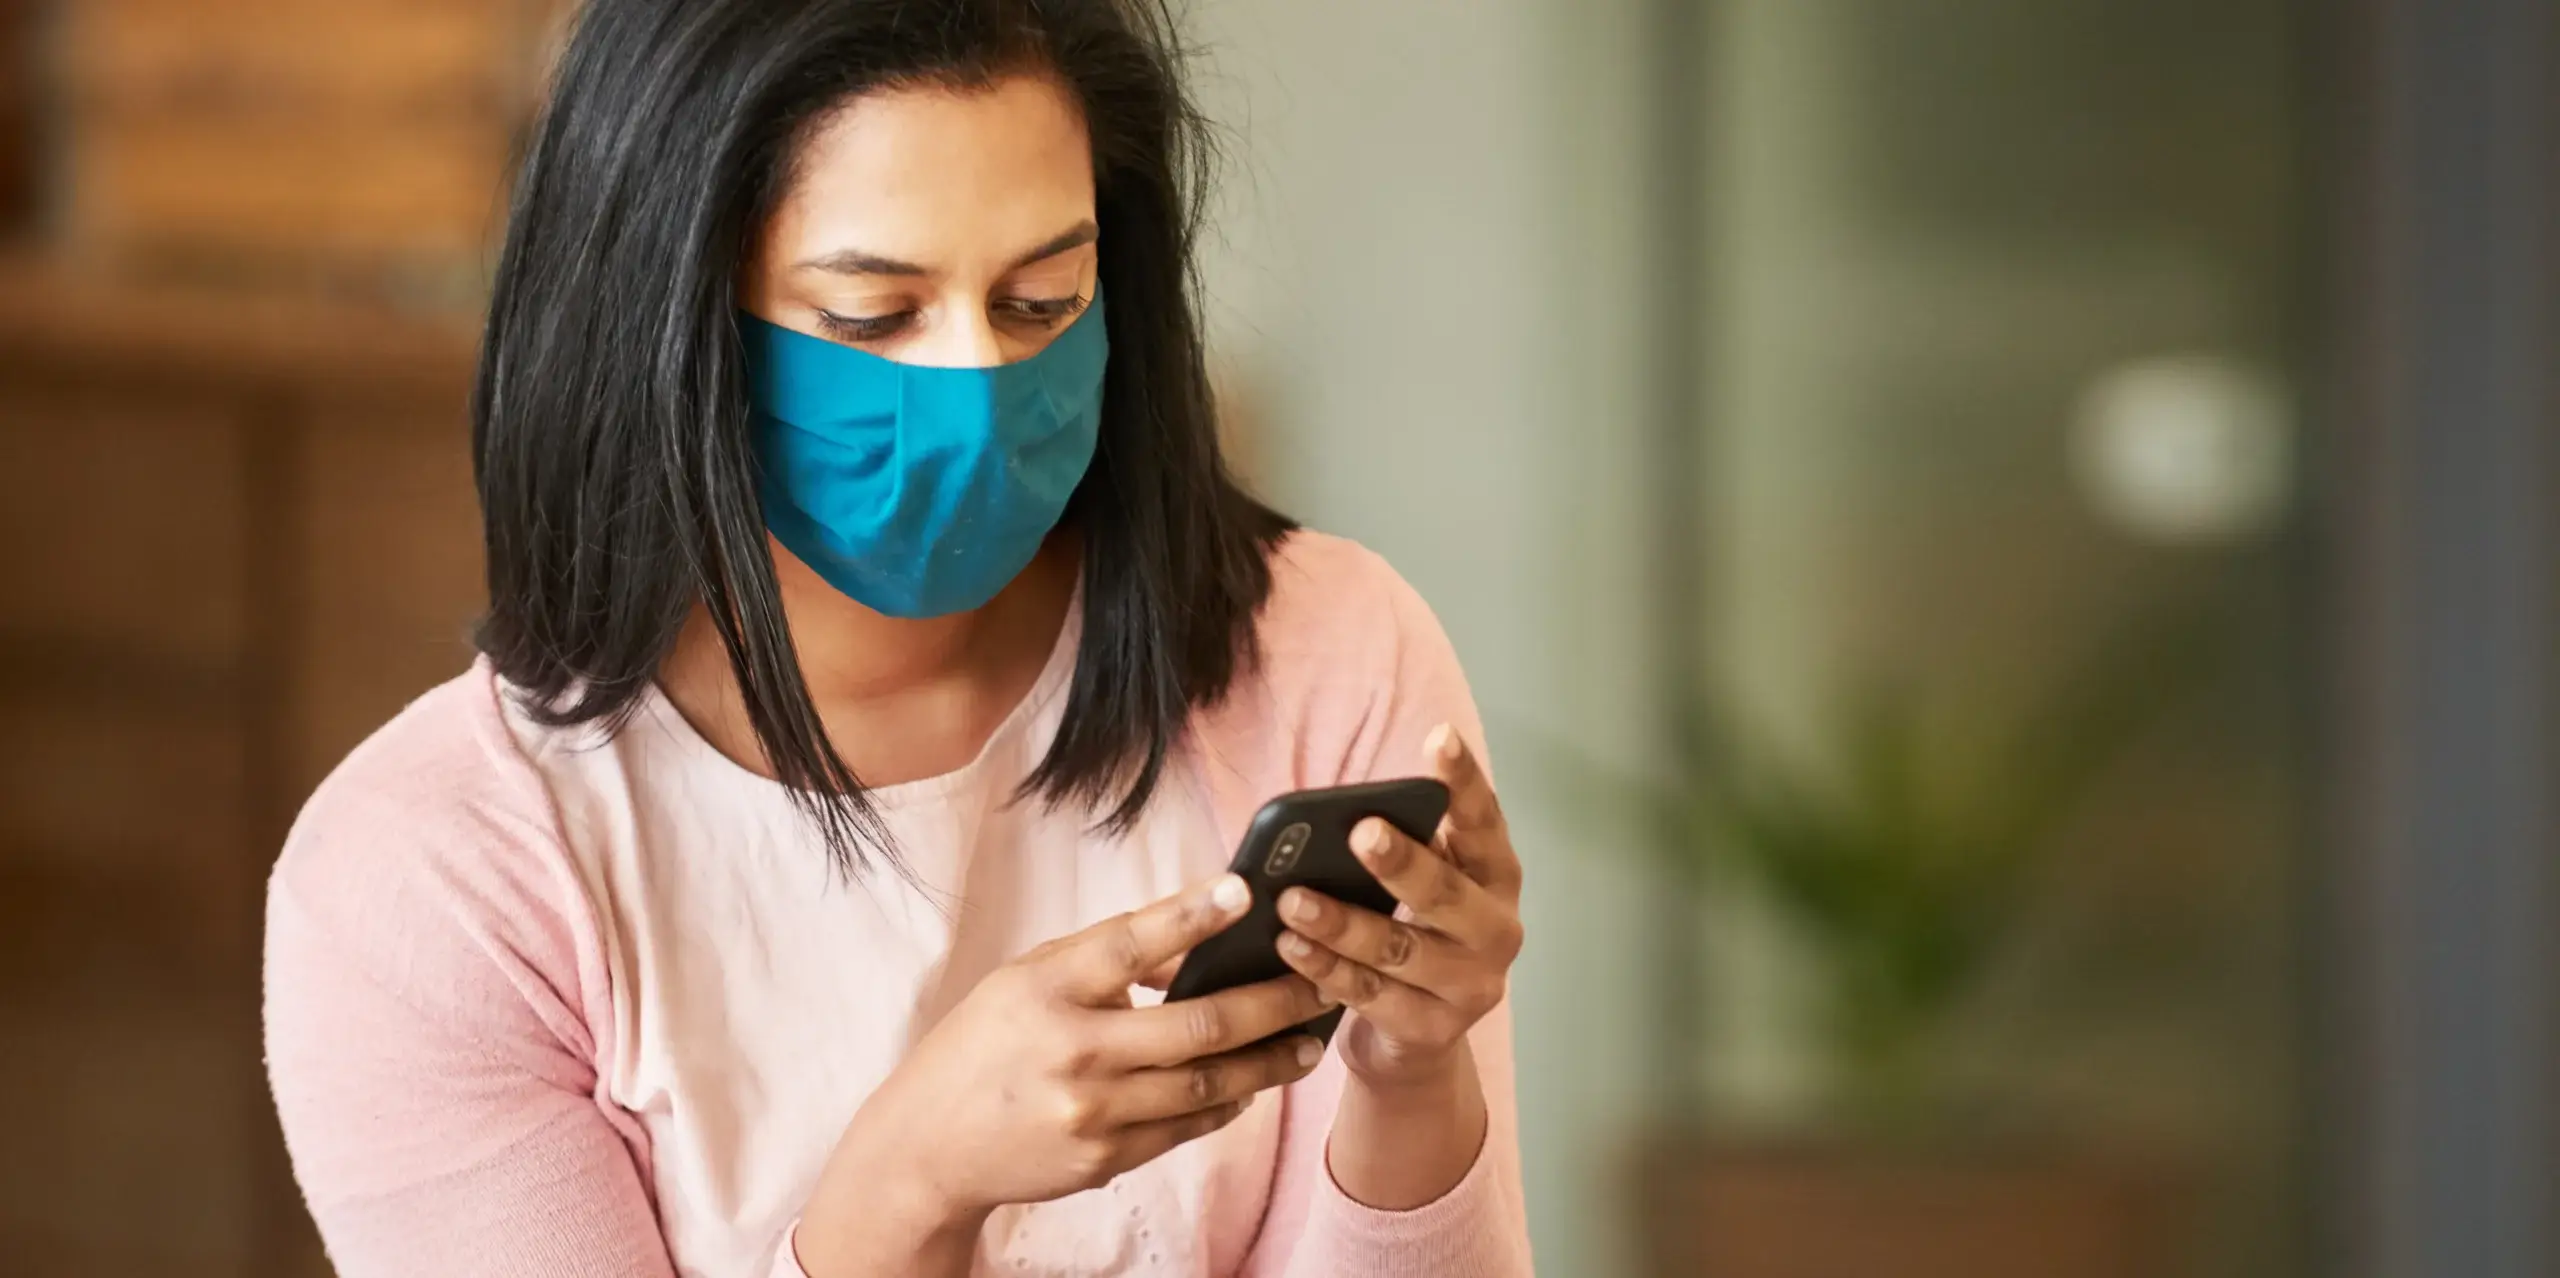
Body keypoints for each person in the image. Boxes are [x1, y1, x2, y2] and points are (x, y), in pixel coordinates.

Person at [261, 1, 1533, 1275]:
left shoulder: (1325, 657)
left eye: (1041, 299)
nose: (974, 386)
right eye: (873, 318)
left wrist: (1414, 1075)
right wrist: (913, 1187)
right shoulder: (432, 889)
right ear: (668, 318)